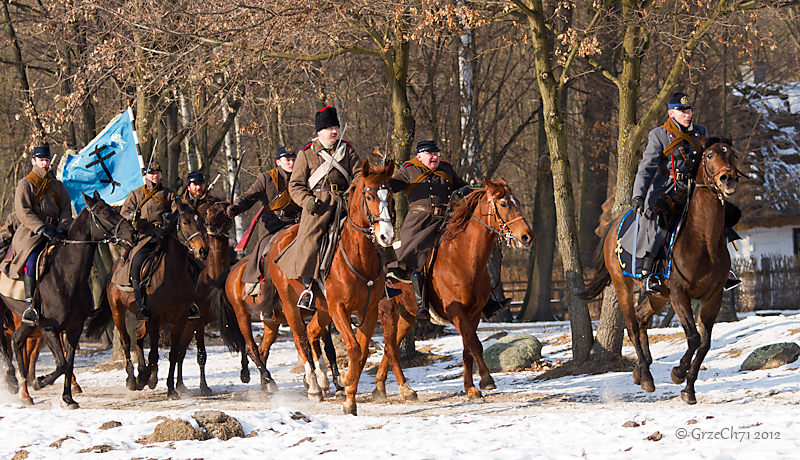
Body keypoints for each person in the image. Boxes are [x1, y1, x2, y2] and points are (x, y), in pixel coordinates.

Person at [275, 106, 362, 311]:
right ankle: (308, 288)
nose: (334, 132)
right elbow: (295, 185)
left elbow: (359, 175)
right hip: (319, 206)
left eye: (336, 127)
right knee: (310, 239)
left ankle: (384, 282)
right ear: (319, 131)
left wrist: (352, 192)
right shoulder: (306, 154)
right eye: (330, 128)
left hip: (346, 202)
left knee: (371, 232)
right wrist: (307, 201)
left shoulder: (347, 150)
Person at [632, 92, 715, 293]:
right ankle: (649, 271)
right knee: (662, 220)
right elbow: (647, 167)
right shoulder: (659, 135)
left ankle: (724, 269)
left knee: (718, 217)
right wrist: (639, 195)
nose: (688, 114)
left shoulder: (700, 132)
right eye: (682, 111)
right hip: (667, 186)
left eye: (689, 110)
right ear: (671, 113)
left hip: (695, 188)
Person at [386, 140, 468, 320]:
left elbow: (462, 186)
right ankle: (421, 304)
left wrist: (467, 191)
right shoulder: (409, 169)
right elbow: (393, 186)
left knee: (472, 247)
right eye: (430, 154)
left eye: (436, 154)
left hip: (447, 219)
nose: (435, 157)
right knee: (416, 255)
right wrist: (385, 178)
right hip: (419, 222)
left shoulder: (446, 169)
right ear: (419, 156)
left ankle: (488, 298)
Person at [227, 146, 301, 318]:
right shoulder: (267, 178)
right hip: (273, 224)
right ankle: (264, 296)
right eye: (286, 159)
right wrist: (235, 208)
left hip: (298, 223)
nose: (291, 163)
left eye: (293, 159)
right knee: (266, 254)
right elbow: (249, 197)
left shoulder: (302, 177)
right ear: (278, 162)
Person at [120, 160, 199, 320]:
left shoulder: (170, 194)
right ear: (146, 175)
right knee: (136, 264)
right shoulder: (136, 194)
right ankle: (141, 304)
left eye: (157, 172)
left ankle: (189, 303)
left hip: (167, 236)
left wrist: (170, 216)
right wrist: (132, 216)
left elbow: (179, 211)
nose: (155, 176)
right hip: (145, 237)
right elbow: (123, 213)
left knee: (193, 264)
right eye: (152, 173)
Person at [9, 144, 72, 326]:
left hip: (57, 233)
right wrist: (41, 229)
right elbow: (23, 212)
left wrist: (62, 228)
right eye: (41, 160)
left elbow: (66, 209)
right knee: (32, 259)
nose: (44, 164)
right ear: (33, 161)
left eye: (46, 160)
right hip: (32, 233)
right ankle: (30, 305)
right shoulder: (26, 183)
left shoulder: (58, 186)